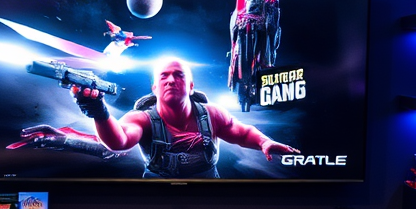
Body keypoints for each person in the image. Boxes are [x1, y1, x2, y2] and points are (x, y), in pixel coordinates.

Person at [73, 56, 297, 178]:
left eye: (178, 75)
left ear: (191, 86)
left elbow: (242, 132)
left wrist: (265, 142)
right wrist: (98, 110)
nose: (171, 80)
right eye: (164, 76)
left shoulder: (212, 114)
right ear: (154, 88)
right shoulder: (142, 119)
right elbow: (118, 141)